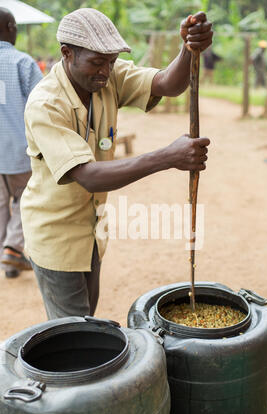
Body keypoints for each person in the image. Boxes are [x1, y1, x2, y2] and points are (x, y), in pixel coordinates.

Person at [21, 8, 213, 319]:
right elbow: (88, 176)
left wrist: (188, 49)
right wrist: (167, 156)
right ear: (67, 54)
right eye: (97, 62)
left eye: (110, 62)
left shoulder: (108, 76)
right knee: (72, 333)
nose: (105, 71)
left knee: (85, 318)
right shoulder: (46, 104)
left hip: (91, 231)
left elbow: (168, 84)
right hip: (56, 237)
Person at [0, 8, 43, 279]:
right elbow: (43, 105)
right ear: (10, 26)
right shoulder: (22, 63)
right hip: (19, 149)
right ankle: (13, 249)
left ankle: (7, 258)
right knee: (27, 199)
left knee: (2, 204)